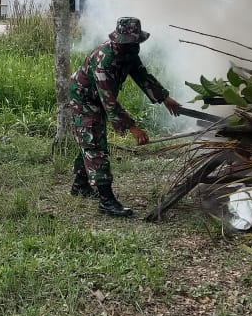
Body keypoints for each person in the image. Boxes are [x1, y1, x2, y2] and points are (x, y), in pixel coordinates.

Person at [69, 17, 182, 218]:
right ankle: (106, 201)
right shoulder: (105, 60)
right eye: (129, 42)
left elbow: (141, 75)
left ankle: (80, 185)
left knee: (90, 139)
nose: (134, 46)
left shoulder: (128, 53)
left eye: (135, 41)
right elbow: (109, 101)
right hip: (84, 99)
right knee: (94, 143)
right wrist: (133, 127)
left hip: (98, 99)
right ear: (119, 40)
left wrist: (165, 97)